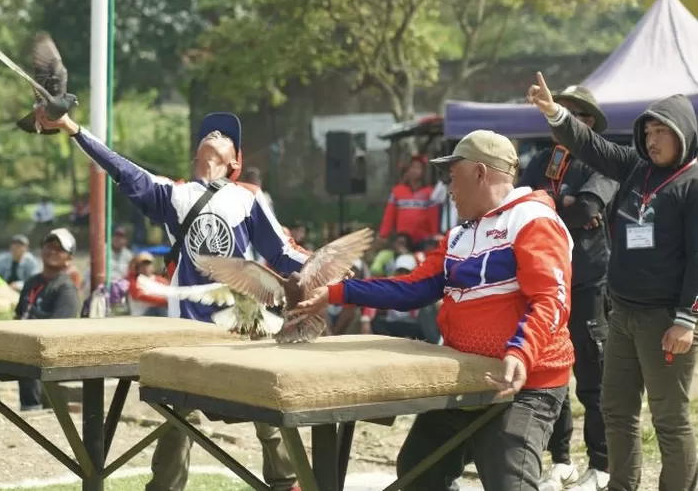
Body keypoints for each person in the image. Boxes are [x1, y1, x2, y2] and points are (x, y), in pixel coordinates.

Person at [35, 108, 304, 491]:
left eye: (225, 136)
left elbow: (282, 252)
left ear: (235, 163)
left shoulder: (249, 198)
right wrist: (72, 128)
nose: (214, 133)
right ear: (196, 156)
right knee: (180, 419)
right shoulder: (174, 195)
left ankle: (286, 483)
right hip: (188, 327)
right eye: (208, 132)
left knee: (270, 408)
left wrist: (321, 267)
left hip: (244, 320)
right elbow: (120, 168)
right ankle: (164, 488)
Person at [292, 129, 575, 490]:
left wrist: (520, 353)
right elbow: (412, 288)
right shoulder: (458, 236)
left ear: (480, 173)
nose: (449, 189)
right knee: (416, 471)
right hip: (468, 378)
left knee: (511, 485)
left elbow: (552, 299)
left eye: (453, 177)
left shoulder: (533, 220)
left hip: (526, 385)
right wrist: (335, 292)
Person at [528, 71, 698, 491]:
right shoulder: (636, 167)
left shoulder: (692, 184)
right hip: (622, 312)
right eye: (649, 131)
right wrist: (554, 113)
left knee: (669, 419)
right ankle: (622, 485)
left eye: (663, 132)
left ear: (684, 135)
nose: (653, 140)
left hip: (666, 321)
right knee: (616, 410)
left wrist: (687, 319)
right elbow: (592, 144)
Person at [518, 85, 617, 491]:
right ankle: (561, 460)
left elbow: (592, 209)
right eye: (555, 111)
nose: (558, 117)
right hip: (544, 283)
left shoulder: (604, 161)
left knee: (592, 376)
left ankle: (603, 463)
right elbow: (521, 204)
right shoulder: (542, 159)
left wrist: (556, 206)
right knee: (550, 372)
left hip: (588, 281)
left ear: (588, 122)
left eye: (570, 112)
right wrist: (567, 205)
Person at [0, 228, 80, 414]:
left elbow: (59, 333)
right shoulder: (32, 282)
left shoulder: (66, 289)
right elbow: (18, 316)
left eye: (59, 249)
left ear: (68, 258)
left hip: (43, 353)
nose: (52, 251)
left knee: (29, 356)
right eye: (49, 246)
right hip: (21, 346)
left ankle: (31, 409)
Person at [378, 154, 440, 249]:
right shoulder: (397, 191)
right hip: (402, 240)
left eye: (419, 168)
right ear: (407, 170)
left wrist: (434, 235)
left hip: (423, 240)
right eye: (412, 167)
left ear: (423, 171)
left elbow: (433, 216)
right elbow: (389, 215)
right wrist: (383, 235)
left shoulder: (430, 192)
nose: (415, 171)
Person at [127, 252, 169, 317]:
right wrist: (164, 302)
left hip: (160, 314)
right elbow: (140, 296)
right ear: (137, 268)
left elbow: (171, 295)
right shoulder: (134, 281)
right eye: (142, 265)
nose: (145, 267)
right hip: (141, 316)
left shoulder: (161, 280)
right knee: (158, 308)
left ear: (153, 266)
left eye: (148, 264)